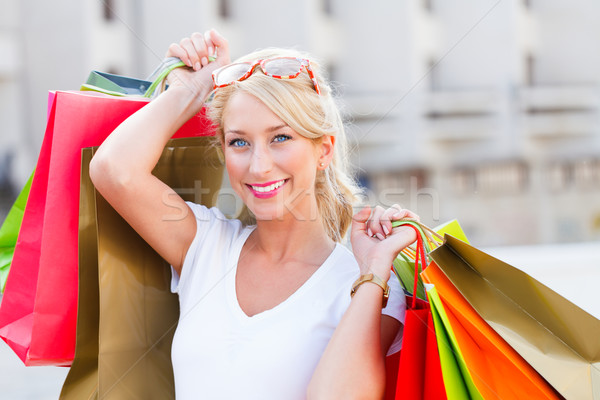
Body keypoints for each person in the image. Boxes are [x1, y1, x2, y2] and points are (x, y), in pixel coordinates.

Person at [89, 29, 419, 400]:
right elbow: (113, 170)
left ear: (324, 150)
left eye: (280, 137)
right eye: (239, 142)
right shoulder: (206, 245)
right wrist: (192, 89)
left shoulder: (368, 287)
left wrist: (374, 271)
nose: (259, 166)